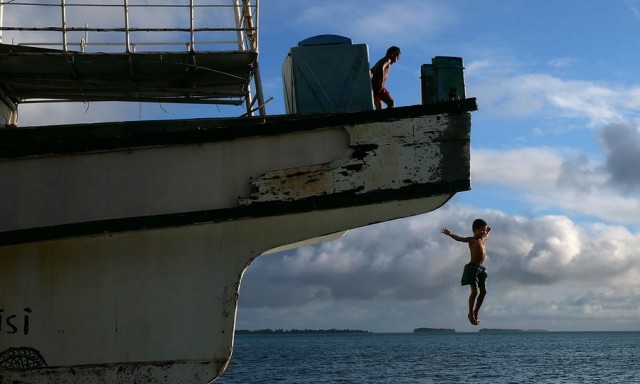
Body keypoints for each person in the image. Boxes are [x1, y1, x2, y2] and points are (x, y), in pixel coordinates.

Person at [441, 219, 491, 325]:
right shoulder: (471, 240)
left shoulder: (483, 239)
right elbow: (459, 239)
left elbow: (487, 235)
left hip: (481, 269)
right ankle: (470, 314)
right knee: (475, 292)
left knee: (484, 291)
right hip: (472, 268)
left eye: (484, 231)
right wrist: (450, 234)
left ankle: (476, 312)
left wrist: (488, 231)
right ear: (475, 230)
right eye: (481, 231)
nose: (483, 233)